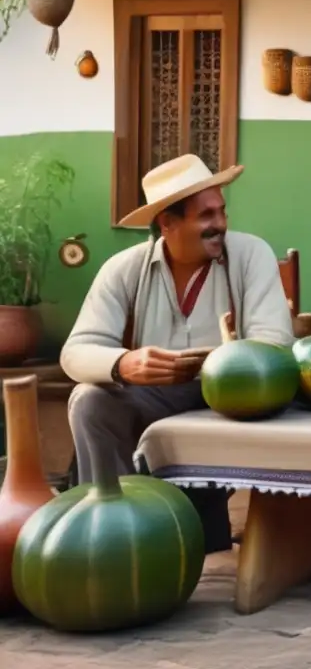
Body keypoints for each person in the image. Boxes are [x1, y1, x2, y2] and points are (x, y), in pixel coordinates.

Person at [61, 153, 294, 553]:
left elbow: (275, 346)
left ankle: (191, 533)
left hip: (229, 401)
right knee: (89, 400)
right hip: (149, 396)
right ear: (167, 224)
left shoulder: (250, 254)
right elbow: (75, 351)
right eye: (205, 216)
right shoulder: (124, 269)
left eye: (221, 211)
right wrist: (123, 364)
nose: (219, 223)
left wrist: (223, 363)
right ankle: (113, 534)